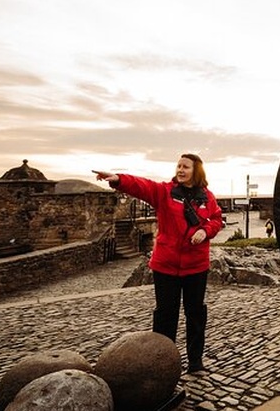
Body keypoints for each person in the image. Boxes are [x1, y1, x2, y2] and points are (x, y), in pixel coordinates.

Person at [93, 154, 223, 373]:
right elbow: (142, 186)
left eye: (186, 167)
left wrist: (205, 230)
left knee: (195, 313)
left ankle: (195, 361)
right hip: (166, 266)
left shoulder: (207, 197)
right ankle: (163, 363)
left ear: (196, 171)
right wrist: (118, 179)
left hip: (196, 266)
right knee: (165, 314)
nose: (180, 170)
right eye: (179, 166)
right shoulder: (164, 192)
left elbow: (217, 220)